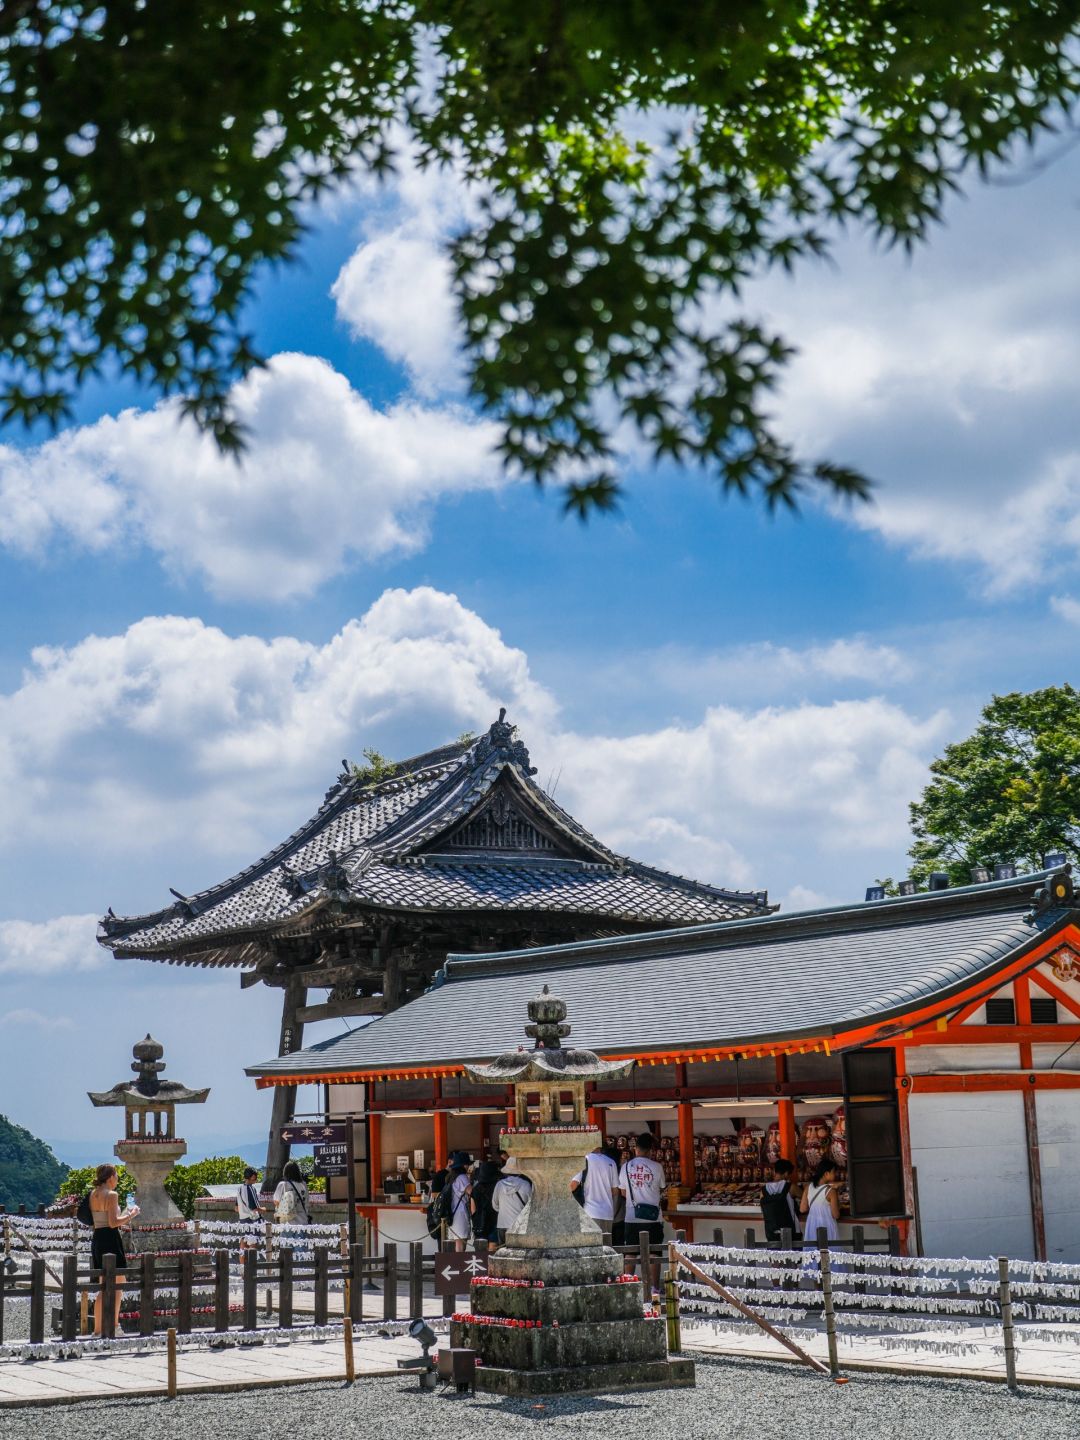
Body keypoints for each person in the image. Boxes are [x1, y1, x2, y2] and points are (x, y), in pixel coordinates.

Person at [89, 1164, 139, 1335]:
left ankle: (97, 1329)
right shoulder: (111, 1195)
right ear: (110, 1177)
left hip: (97, 1238)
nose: (117, 1179)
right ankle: (115, 1325)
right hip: (110, 1238)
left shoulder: (93, 1194)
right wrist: (132, 1214)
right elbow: (113, 1222)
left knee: (104, 1286)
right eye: (116, 1175)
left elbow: (98, 1221)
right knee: (118, 1284)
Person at [617, 1133, 666, 1296]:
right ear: (650, 1150)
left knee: (630, 1251)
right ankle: (654, 1288)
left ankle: (628, 1285)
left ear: (635, 1149)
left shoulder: (625, 1167)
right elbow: (661, 1187)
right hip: (653, 1217)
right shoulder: (657, 1167)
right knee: (654, 1252)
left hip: (632, 1215)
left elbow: (623, 1192)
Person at [570, 1142, 619, 1233]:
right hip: (608, 1213)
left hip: (590, 1212)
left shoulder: (584, 1159)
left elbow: (573, 1185)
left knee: (591, 1246)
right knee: (606, 1245)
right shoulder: (611, 1162)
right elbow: (615, 1191)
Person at [800, 1159, 841, 1245]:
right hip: (827, 1226)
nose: (835, 1174)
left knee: (813, 1254)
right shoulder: (831, 1191)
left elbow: (803, 1209)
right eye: (833, 1172)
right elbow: (836, 1215)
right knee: (828, 1252)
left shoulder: (808, 1187)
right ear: (826, 1174)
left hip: (812, 1225)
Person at [492, 1157, 532, 1244]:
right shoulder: (525, 1184)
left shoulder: (499, 1185)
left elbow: (495, 1205)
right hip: (519, 1225)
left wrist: (504, 1210)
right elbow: (531, 1205)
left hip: (502, 1224)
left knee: (502, 1253)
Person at [760, 1158, 801, 1243]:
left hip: (772, 1232)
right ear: (786, 1173)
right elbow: (805, 1198)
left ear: (775, 1171)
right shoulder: (791, 1187)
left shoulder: (763, 1190)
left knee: (775, 1255)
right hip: (792, 1232)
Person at [469, 1159, 503, 1243]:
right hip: (495, 1220)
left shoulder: (475, 1189)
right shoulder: (498, 1186)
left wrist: (476, 1220)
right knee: (494, 1245)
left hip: (480, 1222)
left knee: (481, 1248)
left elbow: (473, 1209)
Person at [446, 1157, 472, 1251]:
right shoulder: (462, 1177)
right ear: (464, 1165)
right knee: (460, 1242)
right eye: (468, 1164)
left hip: (452, 1212)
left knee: (457, 1241)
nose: (468, 1167)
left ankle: (456, 1263)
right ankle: (459, 1264)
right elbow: (470, 1191)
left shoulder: (451, 1177)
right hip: (460, 1212)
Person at [237, 1165, 263, 1247]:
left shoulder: (240, 1189)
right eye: (255, 1177)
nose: (256, 1179)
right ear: (252, 1176)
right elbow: (255, 1208)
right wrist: (264, 1209)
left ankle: (242, 1260)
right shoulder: (251, 1189)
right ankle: (251, 1260)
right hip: (252, 1219)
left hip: (242, 1219)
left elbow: (236, 1208)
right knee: (252, 1243)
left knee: (243, 1244)